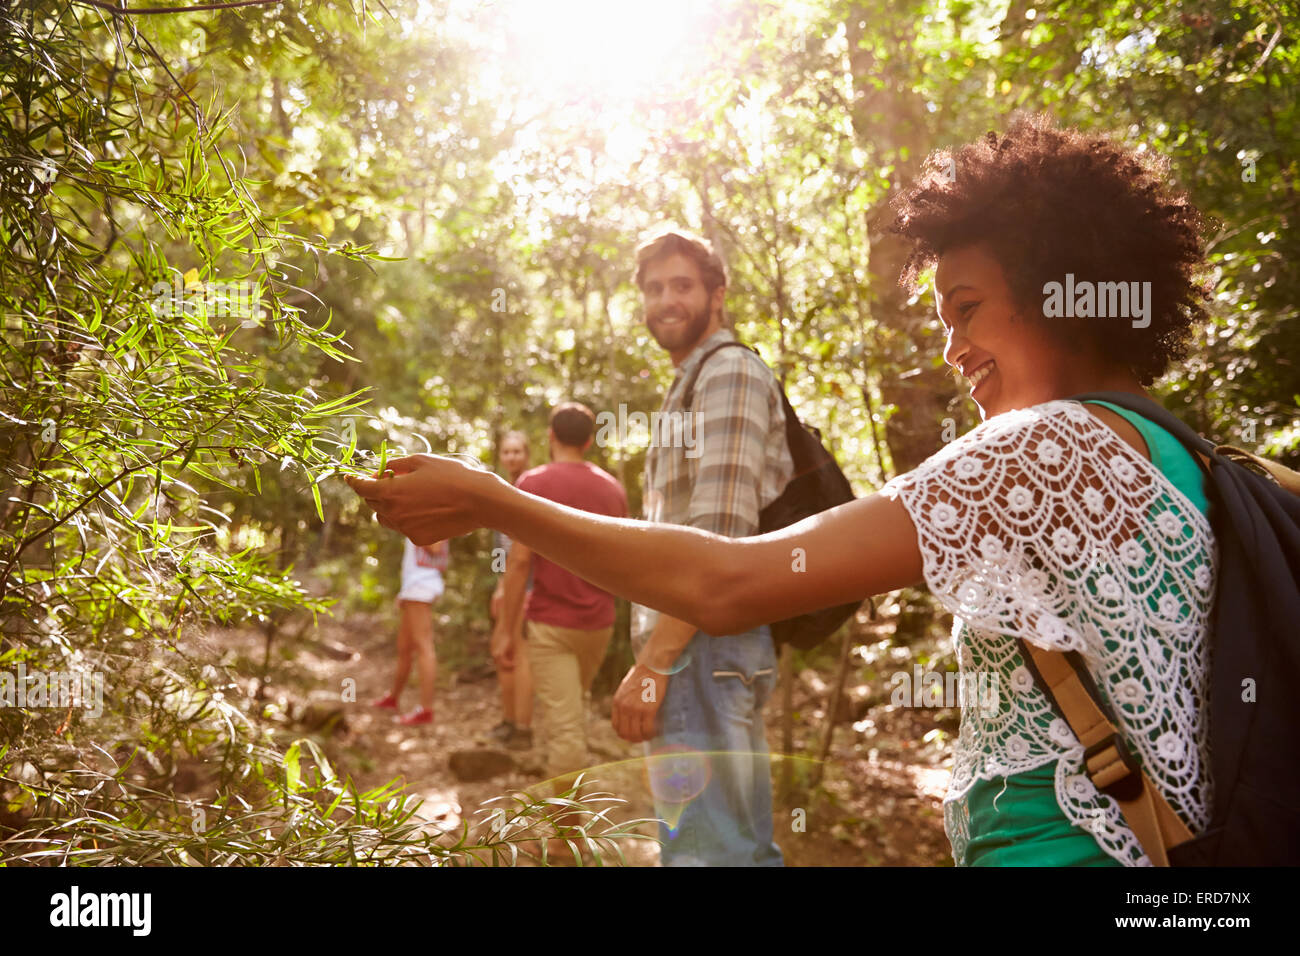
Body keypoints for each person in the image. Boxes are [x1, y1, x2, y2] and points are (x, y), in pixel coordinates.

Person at [348, 114, 1215, 867]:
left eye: (967, 308)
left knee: (714, 844)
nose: (952, 349)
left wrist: (495, 500)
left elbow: (730, 578)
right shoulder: (1195, 457)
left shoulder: (1039, 449)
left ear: (1057, 292)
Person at [491, 402, 628, 782]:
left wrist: (505, 628)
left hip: (551, 624)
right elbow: (622, 561)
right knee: (571, 712)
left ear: (550, 436)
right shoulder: (612, 489)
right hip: (599, 624)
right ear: (588, 440)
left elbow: (518, 563)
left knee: (565, 729)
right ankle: (568, 824)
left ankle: (563, 837)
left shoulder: (533, 484)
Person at [373, 537, 448, 726]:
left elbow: (436, 545)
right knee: (405, 647)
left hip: (421, 586)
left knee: (424, 646)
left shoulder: (430, 511)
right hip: (413, 586)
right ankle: (393, 698)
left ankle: (425, 709)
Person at [489, 430, 533, 745]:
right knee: (502, 652)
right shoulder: (501, 490)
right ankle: (508, 720)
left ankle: (522, 728)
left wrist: (516, 587)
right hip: (508, 584)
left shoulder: (533, 488)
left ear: (527, 454)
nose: (512, 457)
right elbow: (499, 551)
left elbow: (530, 550)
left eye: (517, 451)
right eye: (507, 451)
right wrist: (499, 585)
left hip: (528, 586)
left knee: (517, 652)